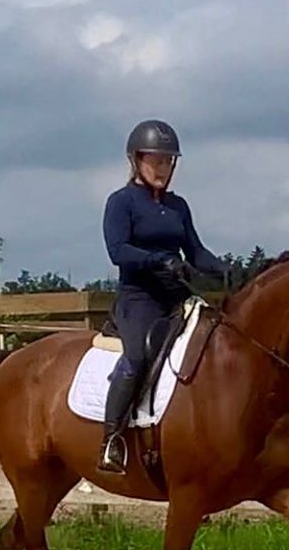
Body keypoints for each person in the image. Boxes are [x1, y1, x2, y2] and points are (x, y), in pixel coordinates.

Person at [98, 119, 229, 473]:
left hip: (176, 299)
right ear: (136, 161)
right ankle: (112, 439)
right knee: (138, 357)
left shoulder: (178, 206)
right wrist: (159, 259)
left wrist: (226, 270)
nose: (163, 168)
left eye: (168, 161)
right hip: (138, 298)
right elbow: (118, 251)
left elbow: (196, 251)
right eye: (155, 160)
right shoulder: (121, 202)